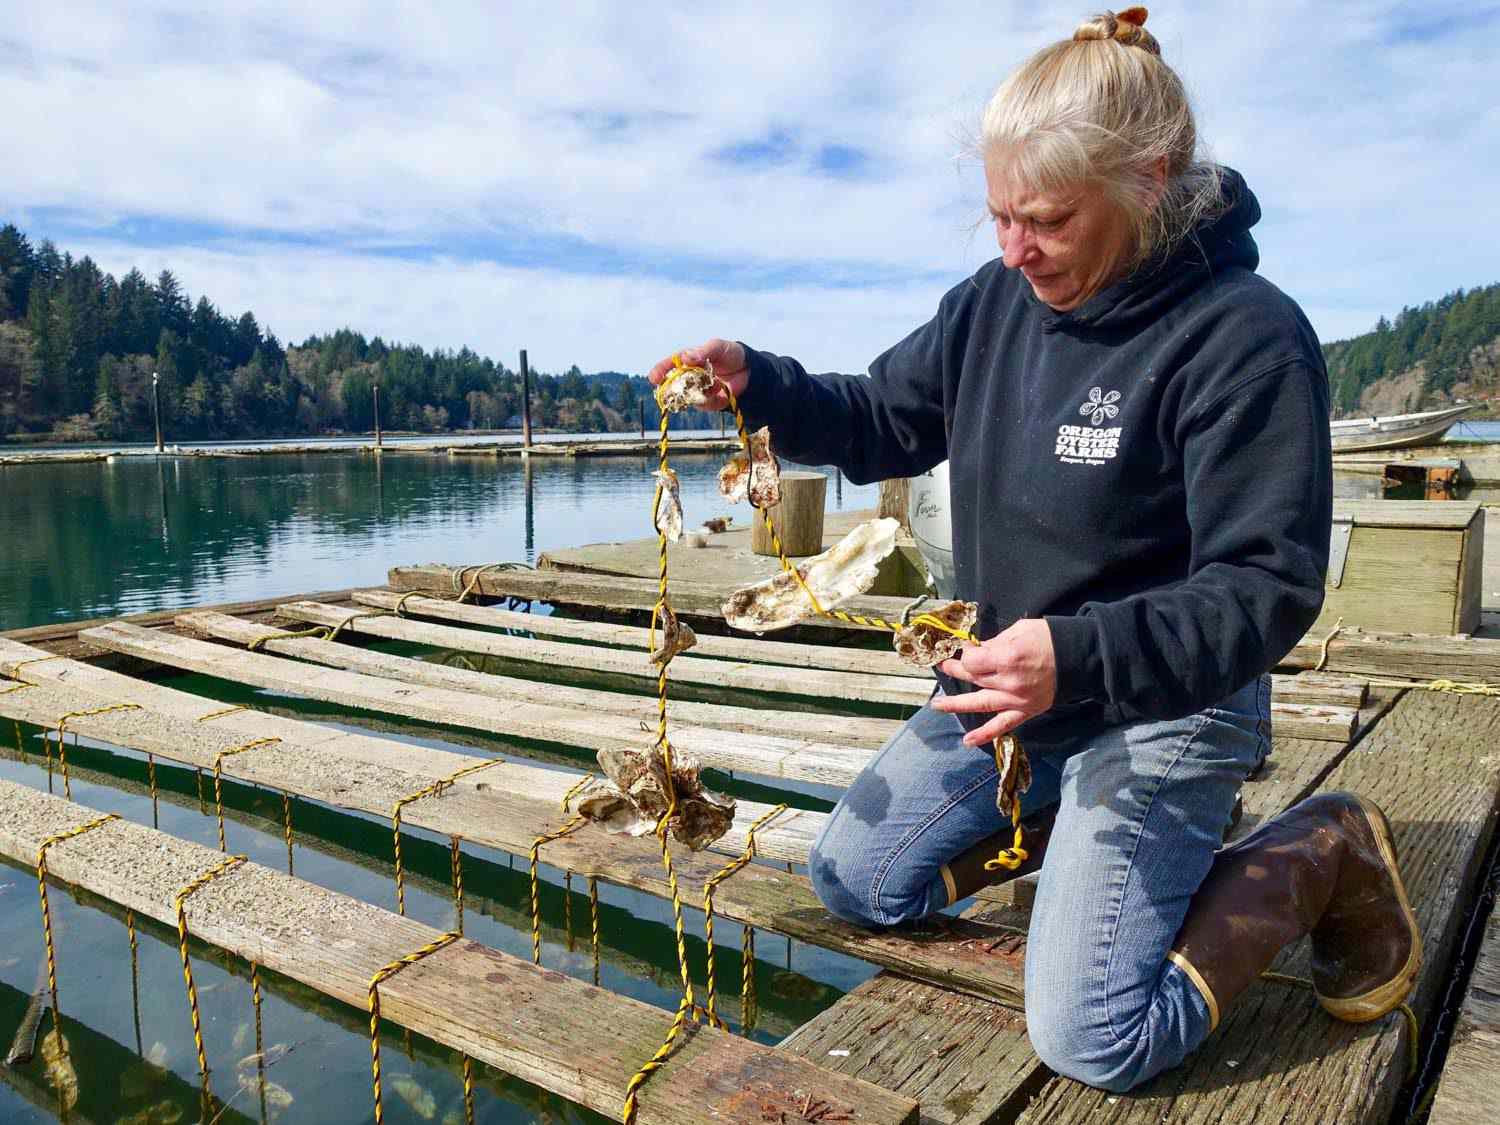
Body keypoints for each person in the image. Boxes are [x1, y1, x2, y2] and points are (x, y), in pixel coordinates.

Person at [648, 7, 1419, 1093]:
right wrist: (760, 385)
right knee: (854, 880)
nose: (1016, 249)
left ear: (1149, 180)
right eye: (1000, 215)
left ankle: (1318, 850)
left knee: (1097, 1037)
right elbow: (882, 418)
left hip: (1174, 697)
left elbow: (1268, 585)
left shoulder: (1245, 335)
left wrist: (1083, 659)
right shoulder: (993, 305)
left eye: (1047, 219)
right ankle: (1076, 838)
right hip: (1015, 689)